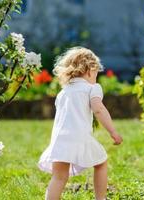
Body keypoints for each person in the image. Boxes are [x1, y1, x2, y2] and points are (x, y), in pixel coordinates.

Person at [37, 46, 123, 200]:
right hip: (80, 137)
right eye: (96, 73)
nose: (96, 77)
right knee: (101, 163)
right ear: (90, 70)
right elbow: (99, 109)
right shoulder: (92, 88)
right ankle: (100, 198)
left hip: (59, 140)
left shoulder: (63, 92)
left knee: (59, 178)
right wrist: (113, 131)